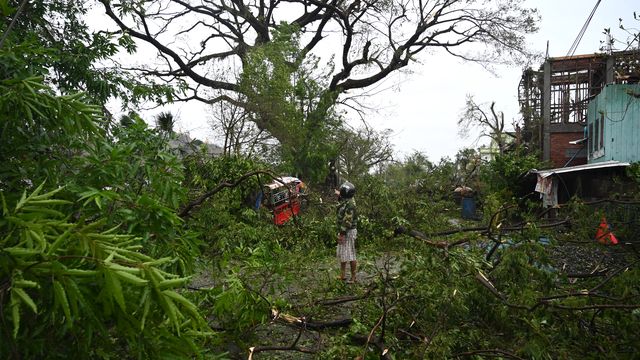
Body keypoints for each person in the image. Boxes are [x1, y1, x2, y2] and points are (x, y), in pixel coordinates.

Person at [336, 181, 358, 283]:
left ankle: (354, 277)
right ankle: (342, 275)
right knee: (343, 254)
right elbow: (341, 201)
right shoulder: (348, 200)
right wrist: (338, 194)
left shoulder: (350, 205)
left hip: (348, 231)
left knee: (351, 254)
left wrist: (342, 234)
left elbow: (347, 222)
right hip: (344, 230)